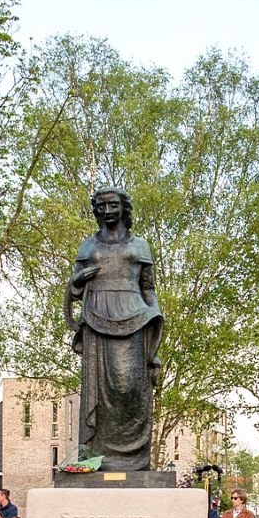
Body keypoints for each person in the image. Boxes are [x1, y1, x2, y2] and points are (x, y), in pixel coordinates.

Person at [64, 187, 164, 470]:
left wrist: (155, 315)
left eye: (112, 206)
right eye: (101, 206)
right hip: (97, 317)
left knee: (130, 385)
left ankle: (135, 459)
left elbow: (148, 288)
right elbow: (74, 287)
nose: (106, 211)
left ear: (124, 208)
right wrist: (80, 278)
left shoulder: (139, 246)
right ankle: (98, 457)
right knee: (100, 387)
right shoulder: (88, 247)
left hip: (135, 317)